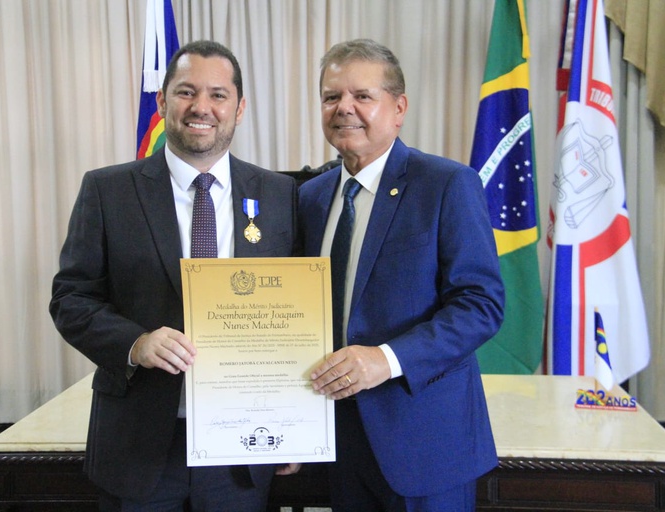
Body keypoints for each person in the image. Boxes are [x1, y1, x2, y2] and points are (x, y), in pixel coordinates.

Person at [50, 40, 299, 512]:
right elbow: (71, 299)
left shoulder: (279, 194)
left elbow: (298, 314)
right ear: (163, 102)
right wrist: (136, 343)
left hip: (243, 444)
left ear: (239, 108)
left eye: (218, 94)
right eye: (186, 92)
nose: (201, 107)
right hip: (139, 442)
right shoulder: (107, 190)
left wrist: (294, 423)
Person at [298, 39, 505, 511]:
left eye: (362, 96)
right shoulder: (310, 197)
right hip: (337, 444)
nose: (344, 108)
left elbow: (481, 305)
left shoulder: (447, 184)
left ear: (398, 109)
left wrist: (386, 359)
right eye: (331, 97)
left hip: (425, 445)